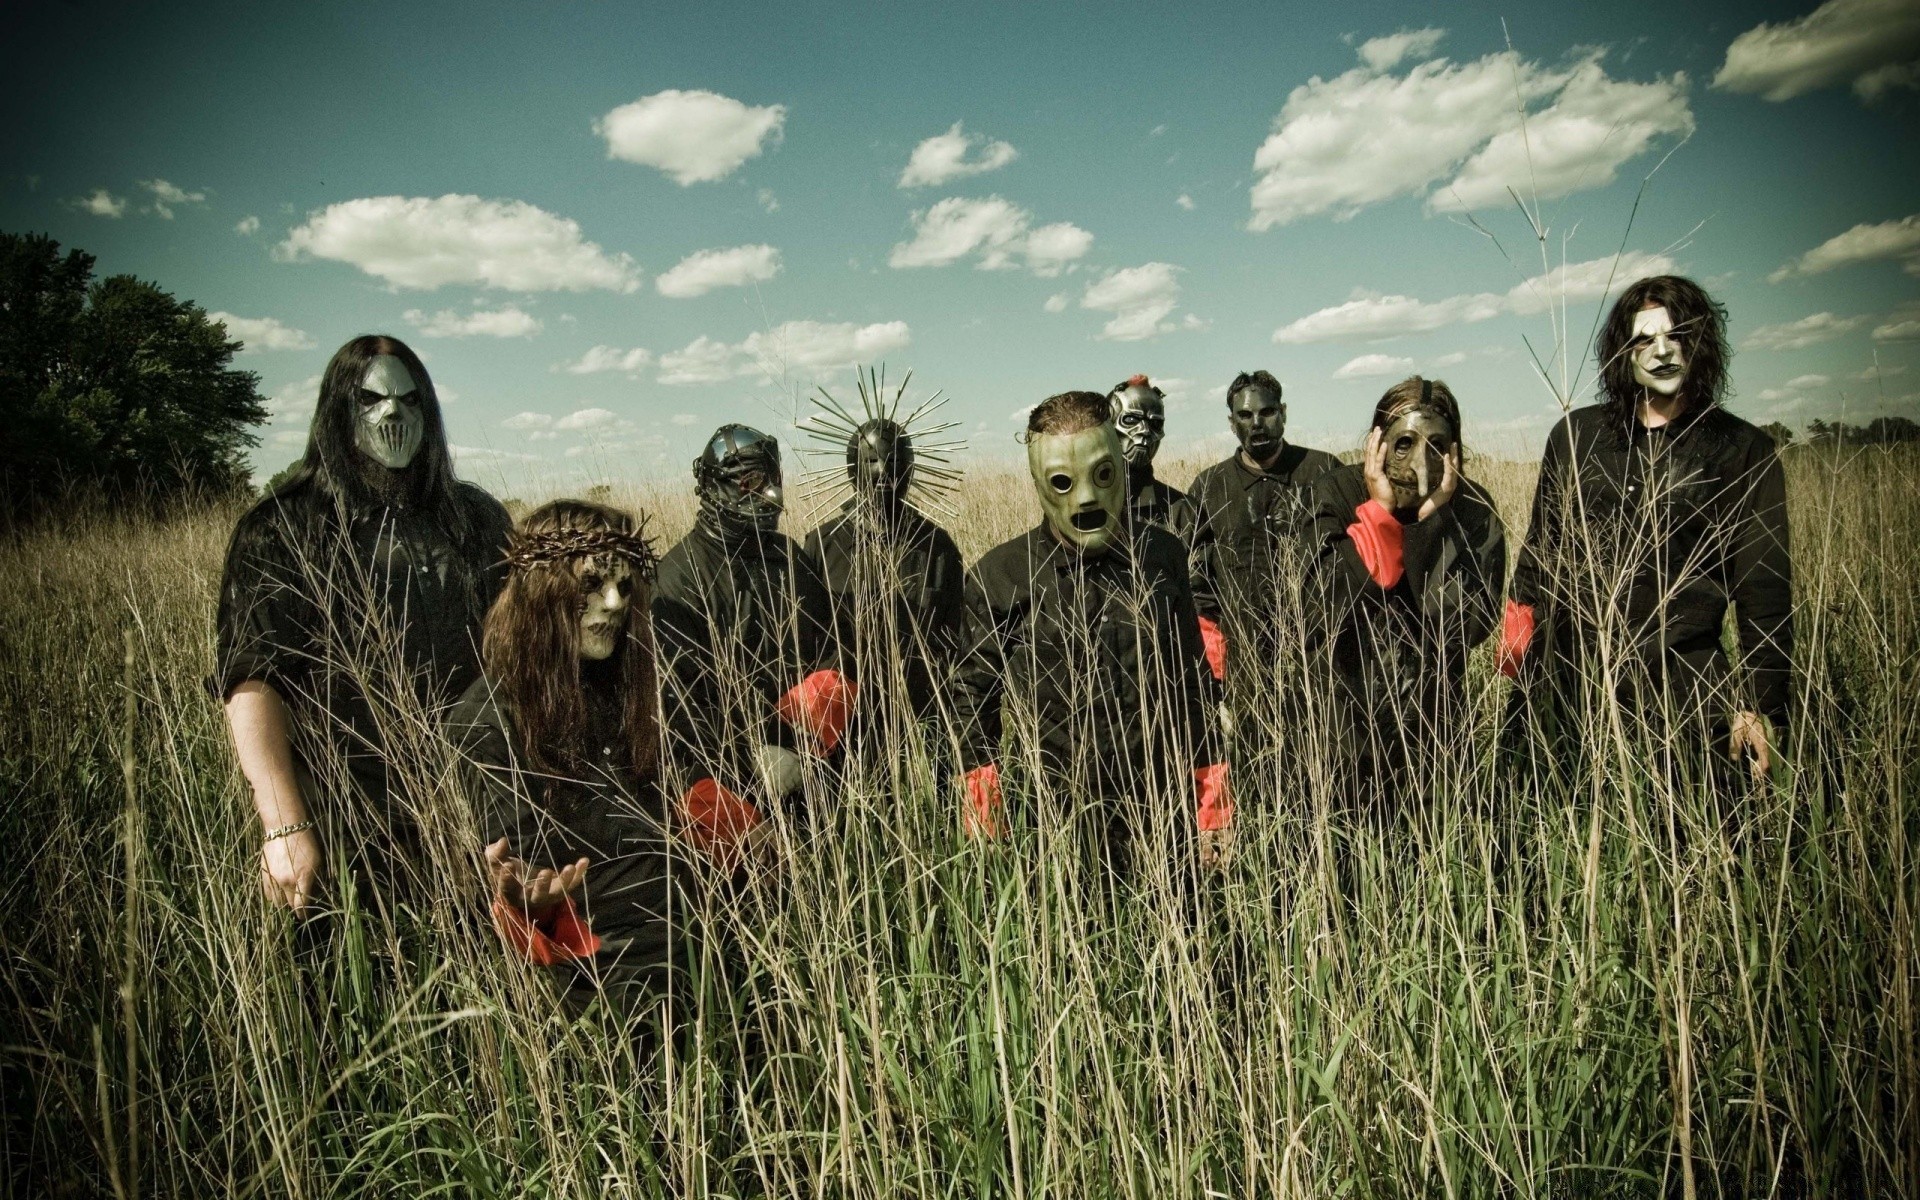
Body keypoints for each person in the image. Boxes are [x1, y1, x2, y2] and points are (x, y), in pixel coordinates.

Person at [214, 334, 511, 916]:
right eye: (372, 399)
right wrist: (282, 823)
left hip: (472, 790)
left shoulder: (474, 518)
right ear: (339, 411)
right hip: (344, 800)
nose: (392, 413)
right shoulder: (285, 525)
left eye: (407, 398)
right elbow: (253, 678)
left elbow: (518, 651)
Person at [1502, 275, 1792, 787]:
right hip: (1568, 668)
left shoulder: (1741, 449)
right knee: (1533, 809)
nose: (1661, 353)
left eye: (1675, 336)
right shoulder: (1578, 435)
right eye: (1644, 340)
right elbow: (1541, 550)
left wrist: (1756, 702)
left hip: (1681, 673)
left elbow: (1763, 586)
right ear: (1624, 353)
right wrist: (1517, 647)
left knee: (1695, 827)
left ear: (1697, 344)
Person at [954, 391, 1229, 871]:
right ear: (1039, 484)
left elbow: (1194, 686)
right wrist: (986, 819)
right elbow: (972, 705)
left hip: (1163, 818)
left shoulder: (1163, 556)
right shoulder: (1000, 577)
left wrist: (1213, 809)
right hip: (1059, 830)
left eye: (1102, 476)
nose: (1085, 498)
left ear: (1121, 469)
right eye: (1063, 481)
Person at [449, 499, 688, 1017]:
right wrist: (528, 902)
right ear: (542, 592)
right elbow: (517, 873)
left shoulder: (632, 685)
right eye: (591, 584)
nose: (613, 602)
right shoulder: (488, 719)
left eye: (626, 586)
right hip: (593, 979)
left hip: (688, 944)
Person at [1305, 377, 1507, 813]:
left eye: (1436, 445)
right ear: (1377, 442)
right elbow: (1320, 604)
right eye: (1405, 444)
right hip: (1347, 729)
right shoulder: (1336, 493)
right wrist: (1379, 516)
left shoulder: (1473, 509)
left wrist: (1431, 525)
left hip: (1436, 730)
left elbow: (1463, 627)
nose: (1419, 464)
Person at [652, 424, 850, 867]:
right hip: (732, 783)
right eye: (754, 483)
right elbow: (681, 710)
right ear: (715, 487)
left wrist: (812, 724)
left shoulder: (788, 555)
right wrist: (751, 761)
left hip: (815, 766)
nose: (774, 497)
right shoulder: (678, 579)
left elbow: (834, 646)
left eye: (775, 480)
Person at [1177, 370, 1341, 795]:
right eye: (1244, 415)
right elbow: (1194, 577)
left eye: (1267, 412)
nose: (1257, 424)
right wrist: (1213, 648)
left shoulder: (1324, 472)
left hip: (1320, 652)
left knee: (1324, 757)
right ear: (1231, 423)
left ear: (1283, 414)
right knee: (1252, 764)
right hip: (1245, 656)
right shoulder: (1210, 486)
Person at [803, 410, 965, 760]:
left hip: (919, 722)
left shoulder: (937, 547)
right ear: (852, 468)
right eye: (872, 461)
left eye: (893, 462)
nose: (883, 473)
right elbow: (806, 644)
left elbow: (955, 641)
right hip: (842, 726)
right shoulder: (822, 544)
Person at [1107, 374, 1185, 534]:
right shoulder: (1085, 504)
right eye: (1131, 419)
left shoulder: (1182, 510)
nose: (1144, 430)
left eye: (1155, 423)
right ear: (1109, 424)